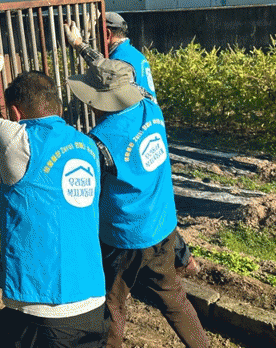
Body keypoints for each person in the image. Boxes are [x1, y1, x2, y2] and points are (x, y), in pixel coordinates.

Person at [0, 32, 109, 348]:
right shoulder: (87, 145)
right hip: (92, 298)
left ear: (15, 113)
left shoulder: (19, 142)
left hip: (41, 307)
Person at [67, 58, 209, 348]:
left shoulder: (100, 141)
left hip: (123, 238)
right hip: (162, 226)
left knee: (112, 304)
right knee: (174, 299)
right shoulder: (151, 109)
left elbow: (92, 190)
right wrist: (82, 47)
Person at [64, 14, 198, 276]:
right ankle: (183, 261)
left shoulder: (123, 60)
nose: (93, 38)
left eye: (95, 32)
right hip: (147, 123)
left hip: (130, 129)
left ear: (107, 34)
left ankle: (175, 260)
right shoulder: (133, 54)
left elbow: (105, 70)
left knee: (137, 197)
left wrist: (80, 44)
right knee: (153, 198)